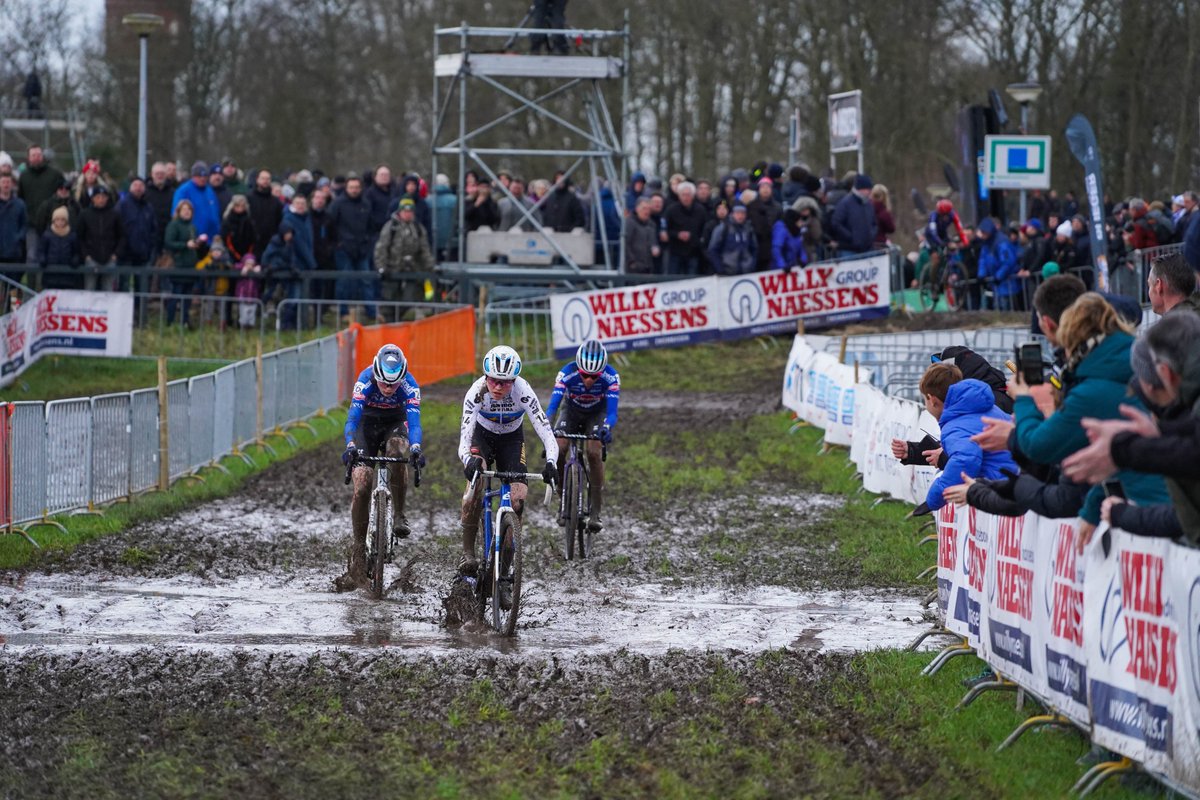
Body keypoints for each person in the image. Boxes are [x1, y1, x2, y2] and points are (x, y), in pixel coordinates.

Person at [457, 346, 559, 587]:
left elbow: (546, 432)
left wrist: (552, 462)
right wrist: (468, 461)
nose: (499, 387)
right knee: (475, 485)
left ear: (514, 380)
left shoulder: (524, 391)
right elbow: (464, 439)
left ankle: (503, 573)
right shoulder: (476, 392)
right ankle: (468, 554)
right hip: (481, 437)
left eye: (505, 382)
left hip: (512, 440)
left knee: (518, 498)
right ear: (486, 377)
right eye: (494, 380)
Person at [336, 344, 425, 592]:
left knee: (398, 452)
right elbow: (352, 418)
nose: (388, 389)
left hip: (395, 423)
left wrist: (416, 447)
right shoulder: (365, 380)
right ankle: (358, 547)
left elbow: (415, 422)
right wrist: (351, 444)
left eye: (393, 385)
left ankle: (399, 514)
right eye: (384, 384)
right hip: (366, 425)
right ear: (376, 374)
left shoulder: (409, 385)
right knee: (362, 482)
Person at [911, 362, 1018, 514]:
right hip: (1018, 479)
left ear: (932, 399)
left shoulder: (954, 426)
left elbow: (965, 459)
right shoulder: (988, 408)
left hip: (1004, 490)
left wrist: (933, 500)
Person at [546, 339, 619, 532]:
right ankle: (563, 501)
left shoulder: (611, 377)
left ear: (602, 372)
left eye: (594, 377)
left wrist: (606, 428)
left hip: (597, 414)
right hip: (570, 411)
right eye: (585, 374)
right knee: (559, 448)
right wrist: (546, 427)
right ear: (578, 368)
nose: (588, 380)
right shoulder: (566, 373)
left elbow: (612, 413)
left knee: (594, 453)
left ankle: (595, 512)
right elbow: (553, 405)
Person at [375, 198, 434, 319]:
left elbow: (424, 249)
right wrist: (381, 267)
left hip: (412, 270)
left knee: (410, 298)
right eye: (405, 211)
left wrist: (431, 267)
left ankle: (399, 321)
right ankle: (388, 324)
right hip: (392, 270)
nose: (407, 214)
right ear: (400, 212)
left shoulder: (418, 228)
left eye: (410, 211)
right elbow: (381, 248)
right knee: (389, 300)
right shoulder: (391, 227)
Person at [829, 174, 878, 255]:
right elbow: (836, 223)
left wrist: (871, 235)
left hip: (868, 249)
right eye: (868, 189)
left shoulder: (869, 204)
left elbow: (874, 223)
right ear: (860, 189)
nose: (870, 191)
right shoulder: (845, 203)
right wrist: (851, 237)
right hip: (849, 250)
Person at [707, 202, 757, 275]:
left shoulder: (749, 229)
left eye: (743, 213)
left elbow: (754, 248)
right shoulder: (723, 228)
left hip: (746, 271)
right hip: (728, 272)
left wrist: (752, 265)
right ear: (732, 214)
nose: (740, 216)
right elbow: (713, 250)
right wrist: (720, 269)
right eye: (737, 213)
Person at [39, 206, 81, 289]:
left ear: (66, 221)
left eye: (63, 220)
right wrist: (42, 259)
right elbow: (42, 250)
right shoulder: (47, 235)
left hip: (68, 276)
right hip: (50, 274)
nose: (60, 222)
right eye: (57, 219)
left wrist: (75, 259)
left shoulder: (72, 235)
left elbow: (76, 251)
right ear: (53, 220)